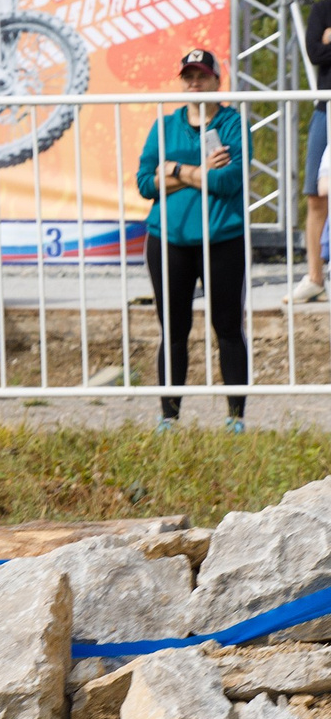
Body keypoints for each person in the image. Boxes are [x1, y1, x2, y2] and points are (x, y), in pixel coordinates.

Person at [141, 48, 248, 432]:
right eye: (188, 75)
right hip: (168, 239)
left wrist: (171, 171)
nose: (195, 82)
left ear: (218, 80)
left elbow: (228, 181)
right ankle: (168, 417)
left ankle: (236, 418)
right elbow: (143, 183)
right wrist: (196, 171)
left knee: (228, 326)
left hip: (222, 238)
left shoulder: (233, 123)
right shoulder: (165, 126)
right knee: (173, 329)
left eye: (202, 75)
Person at [301, 0, 331, 306]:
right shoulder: (323, 8)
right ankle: (314, 277)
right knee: (315, 193)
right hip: (326, 109)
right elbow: (315, 53)